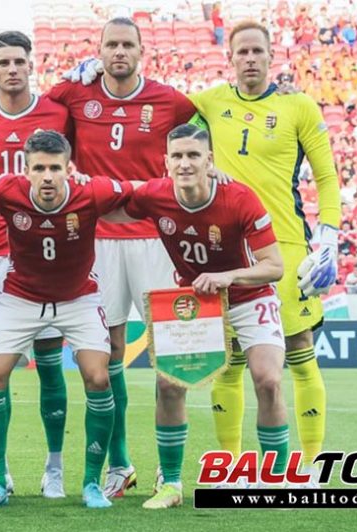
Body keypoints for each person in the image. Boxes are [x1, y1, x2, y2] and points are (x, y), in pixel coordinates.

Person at [188, 20, 341, 486]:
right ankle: (232, 466)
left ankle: (310, 464)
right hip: (227, 250)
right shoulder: (209, 102)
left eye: (258, 51)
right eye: (243, 52)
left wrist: (330, 237)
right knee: (230, 359)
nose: (250, 58)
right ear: (230, 57)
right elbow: (153, 110)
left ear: (271, 56)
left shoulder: (298, 106)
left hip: (286, 248)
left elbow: (326, 176)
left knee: (299, 350)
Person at [49, 17, 198, 497]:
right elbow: (40, 108)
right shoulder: (78, 96)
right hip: (98, 240)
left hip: (159, 238)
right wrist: (69, 76)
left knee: (171, 358)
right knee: (107, 353)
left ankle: (169, 473)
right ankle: (119, 464)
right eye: (110, 45)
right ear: (98, 52)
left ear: (141, 51)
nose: (118, 52)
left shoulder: (169, 101)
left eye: (126, 44)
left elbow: (206, 134)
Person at [106, 124, 287, 508]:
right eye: (177, 156)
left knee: (268, 380)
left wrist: (229, 276)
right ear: (166, 162)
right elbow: (116, 206)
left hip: (249, 295)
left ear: (209, 161)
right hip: (197, 300)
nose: (185, 163)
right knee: (169, 384)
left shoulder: (240, 198)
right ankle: (171, 484)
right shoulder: (155, 195)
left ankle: (276, 478)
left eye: (193, 155)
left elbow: (274, 266)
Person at [0, 130, 134, 509]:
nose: (47, 176)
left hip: (78, 298)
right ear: (26, 170)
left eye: (55, 168)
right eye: (39, 168)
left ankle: (91, 483)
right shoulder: (7, 190)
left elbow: (140, 191)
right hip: (20, 298)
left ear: (68, 170)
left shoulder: (91, 193)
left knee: (98, 377)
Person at [0, 30, 71, 497]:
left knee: (50, 365)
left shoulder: (57, 114)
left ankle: (54, 468)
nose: (11, 69)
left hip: (47, 253)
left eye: (18, 61)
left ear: (31, 65)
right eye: (3, 62)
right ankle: (0, 471)